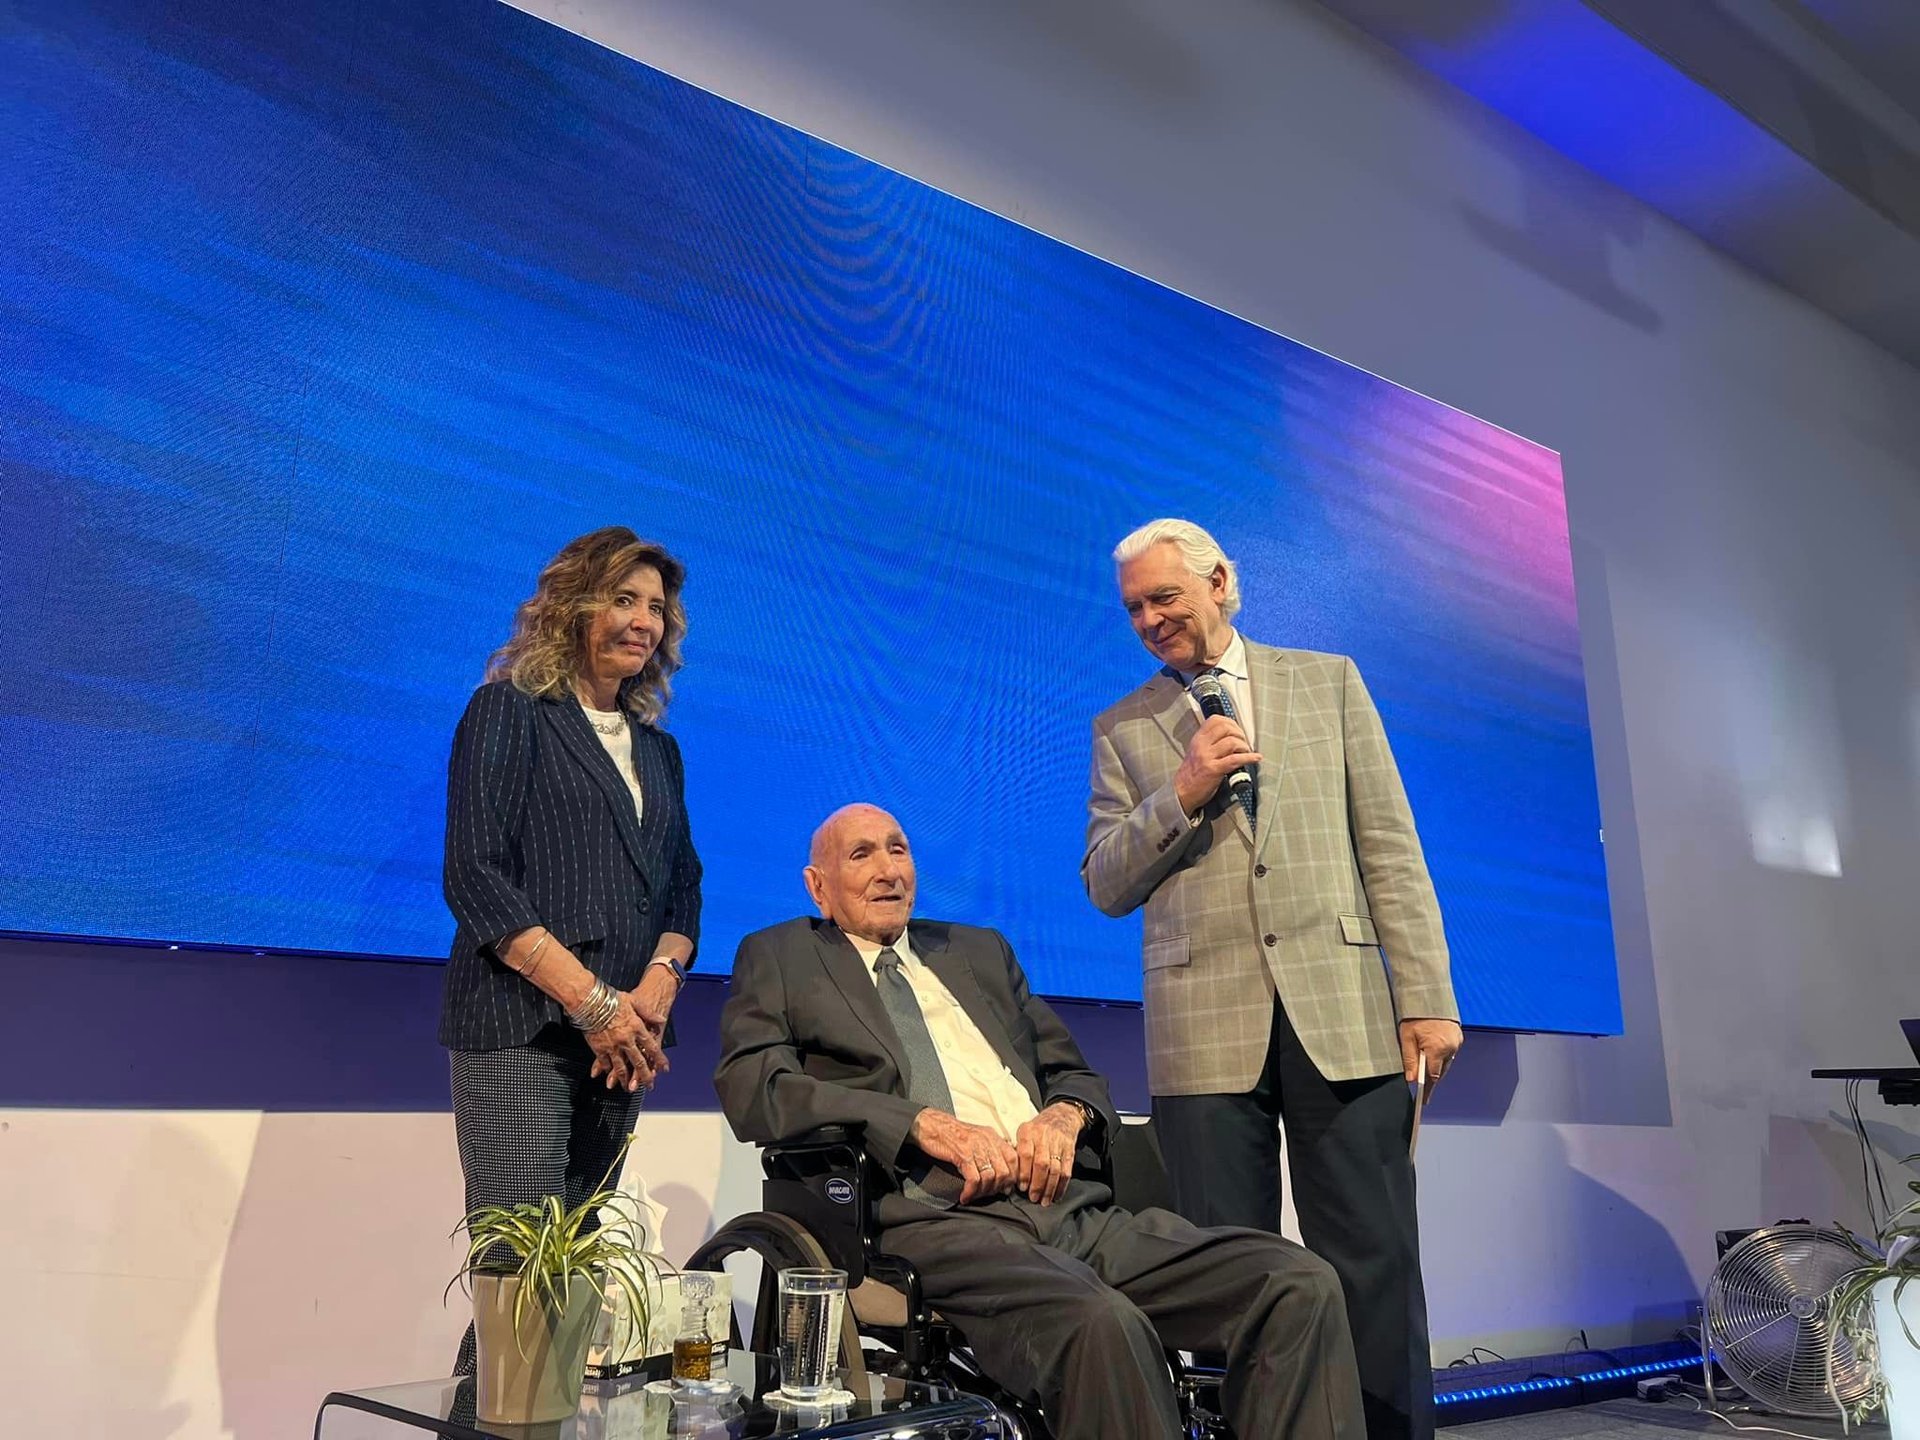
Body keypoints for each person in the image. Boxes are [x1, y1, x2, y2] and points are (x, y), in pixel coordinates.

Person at [716, 803, 1363, 1440]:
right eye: (862, 854)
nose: (889, 869)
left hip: (1071, 1212)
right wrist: (916, 1123)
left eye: (898, 848)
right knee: (1099, 1323)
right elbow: (754, 1087)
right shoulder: (782, 957)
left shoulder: (978, 952)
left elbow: (1075, 1075)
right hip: (936, 1222)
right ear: (817, 885)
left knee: (1297, 1283)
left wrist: (1065, 1114)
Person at [1082, 518, 1462, 1440]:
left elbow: (1391, 851)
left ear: (1222, 583)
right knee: (1226, 1276)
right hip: (1202, 1031)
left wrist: (1426, 999)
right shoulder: (1125, 727)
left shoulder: (1326, 682)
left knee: (1373, 1261)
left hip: (1341, 1010)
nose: (1150, 619)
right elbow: (1103, 881)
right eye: (1134, 607)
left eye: (1165, 597)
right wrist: (1181, 792)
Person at [440, 526, 702, 1373]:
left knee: (569, 1279)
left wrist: (655, 987)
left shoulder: (659, 751)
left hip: (621, 1044)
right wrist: (592, 1004)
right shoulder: (510, 710)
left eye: (656, 607)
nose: (643, 621)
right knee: (520, 1276)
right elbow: (475, 875)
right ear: (571, 604)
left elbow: (683, 889)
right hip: (523, 1029)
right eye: (623, 599)